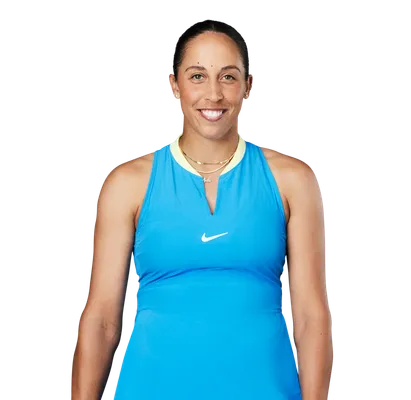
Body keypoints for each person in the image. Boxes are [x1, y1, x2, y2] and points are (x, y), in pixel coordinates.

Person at [69, 17, 333, 400]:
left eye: (228, 77)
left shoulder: (293, 181)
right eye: (197, 76)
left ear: (248, 87)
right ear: (173, 85)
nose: (214, 94)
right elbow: (102, 319)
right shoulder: (128, 185)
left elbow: (311, 316)